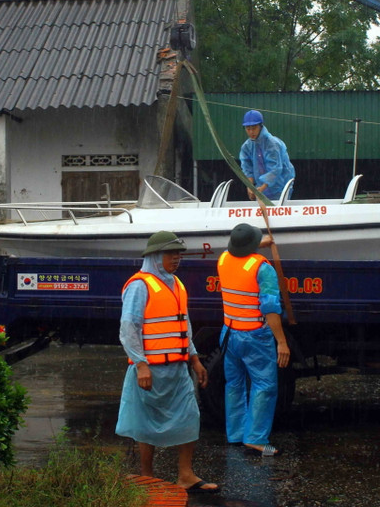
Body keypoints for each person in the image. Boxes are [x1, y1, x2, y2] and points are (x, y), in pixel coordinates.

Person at [115, 231, 220, 495]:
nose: (177, 258)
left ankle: (185, 475)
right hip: (149, 370)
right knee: (145, 424)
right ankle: (147, 477)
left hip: (177, 368)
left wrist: (195, 359)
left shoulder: (176, 284)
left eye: (179, 254)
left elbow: (183, 326)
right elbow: (129, 328)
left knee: (189, 416)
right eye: (171, 253)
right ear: (154, 256)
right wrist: (140, 364)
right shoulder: (140, 285)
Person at [217, 223, 290, 456]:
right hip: (254, 337)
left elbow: (240, 255)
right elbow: (270, 308)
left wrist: (261, 243)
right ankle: (256, 439)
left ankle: (236, 434)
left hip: (229, 333)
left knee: (234, 384)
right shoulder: (263, 268)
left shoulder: (223, 259)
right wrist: (281, 341)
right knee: (264, 385)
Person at [239, 109, 295, 202]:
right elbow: (247, 168)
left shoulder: (272, 144)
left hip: (280, 188)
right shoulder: (246, 146)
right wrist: (250, 187)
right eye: (248, 129)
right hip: (261, 190)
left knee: (278, 213)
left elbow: (275, 169)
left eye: (254, 128)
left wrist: (262, 187)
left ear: (260, 126)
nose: (251, 132)